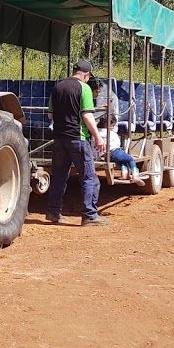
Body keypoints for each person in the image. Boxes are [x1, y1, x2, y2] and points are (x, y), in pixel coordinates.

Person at [46, 60, 109, 226]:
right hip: (77, 138)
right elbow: (87, 116)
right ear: (86, 75)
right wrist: (98, 136)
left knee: (59, 177)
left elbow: (50, 116)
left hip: (59, 139)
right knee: (89, 177)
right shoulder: (84, 88)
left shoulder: (58, 87)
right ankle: (89, 215)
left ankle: (53, 213)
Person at [102, 114, 145, 186]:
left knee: (122, 161)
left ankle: (124, 175)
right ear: (108, 124)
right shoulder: (111, 133)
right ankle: (135, 176)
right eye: (112, 125)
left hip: (106, 156)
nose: (113, 127)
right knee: (130, 159)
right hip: (115, 151)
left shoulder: (96, 132)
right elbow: (117, 143)